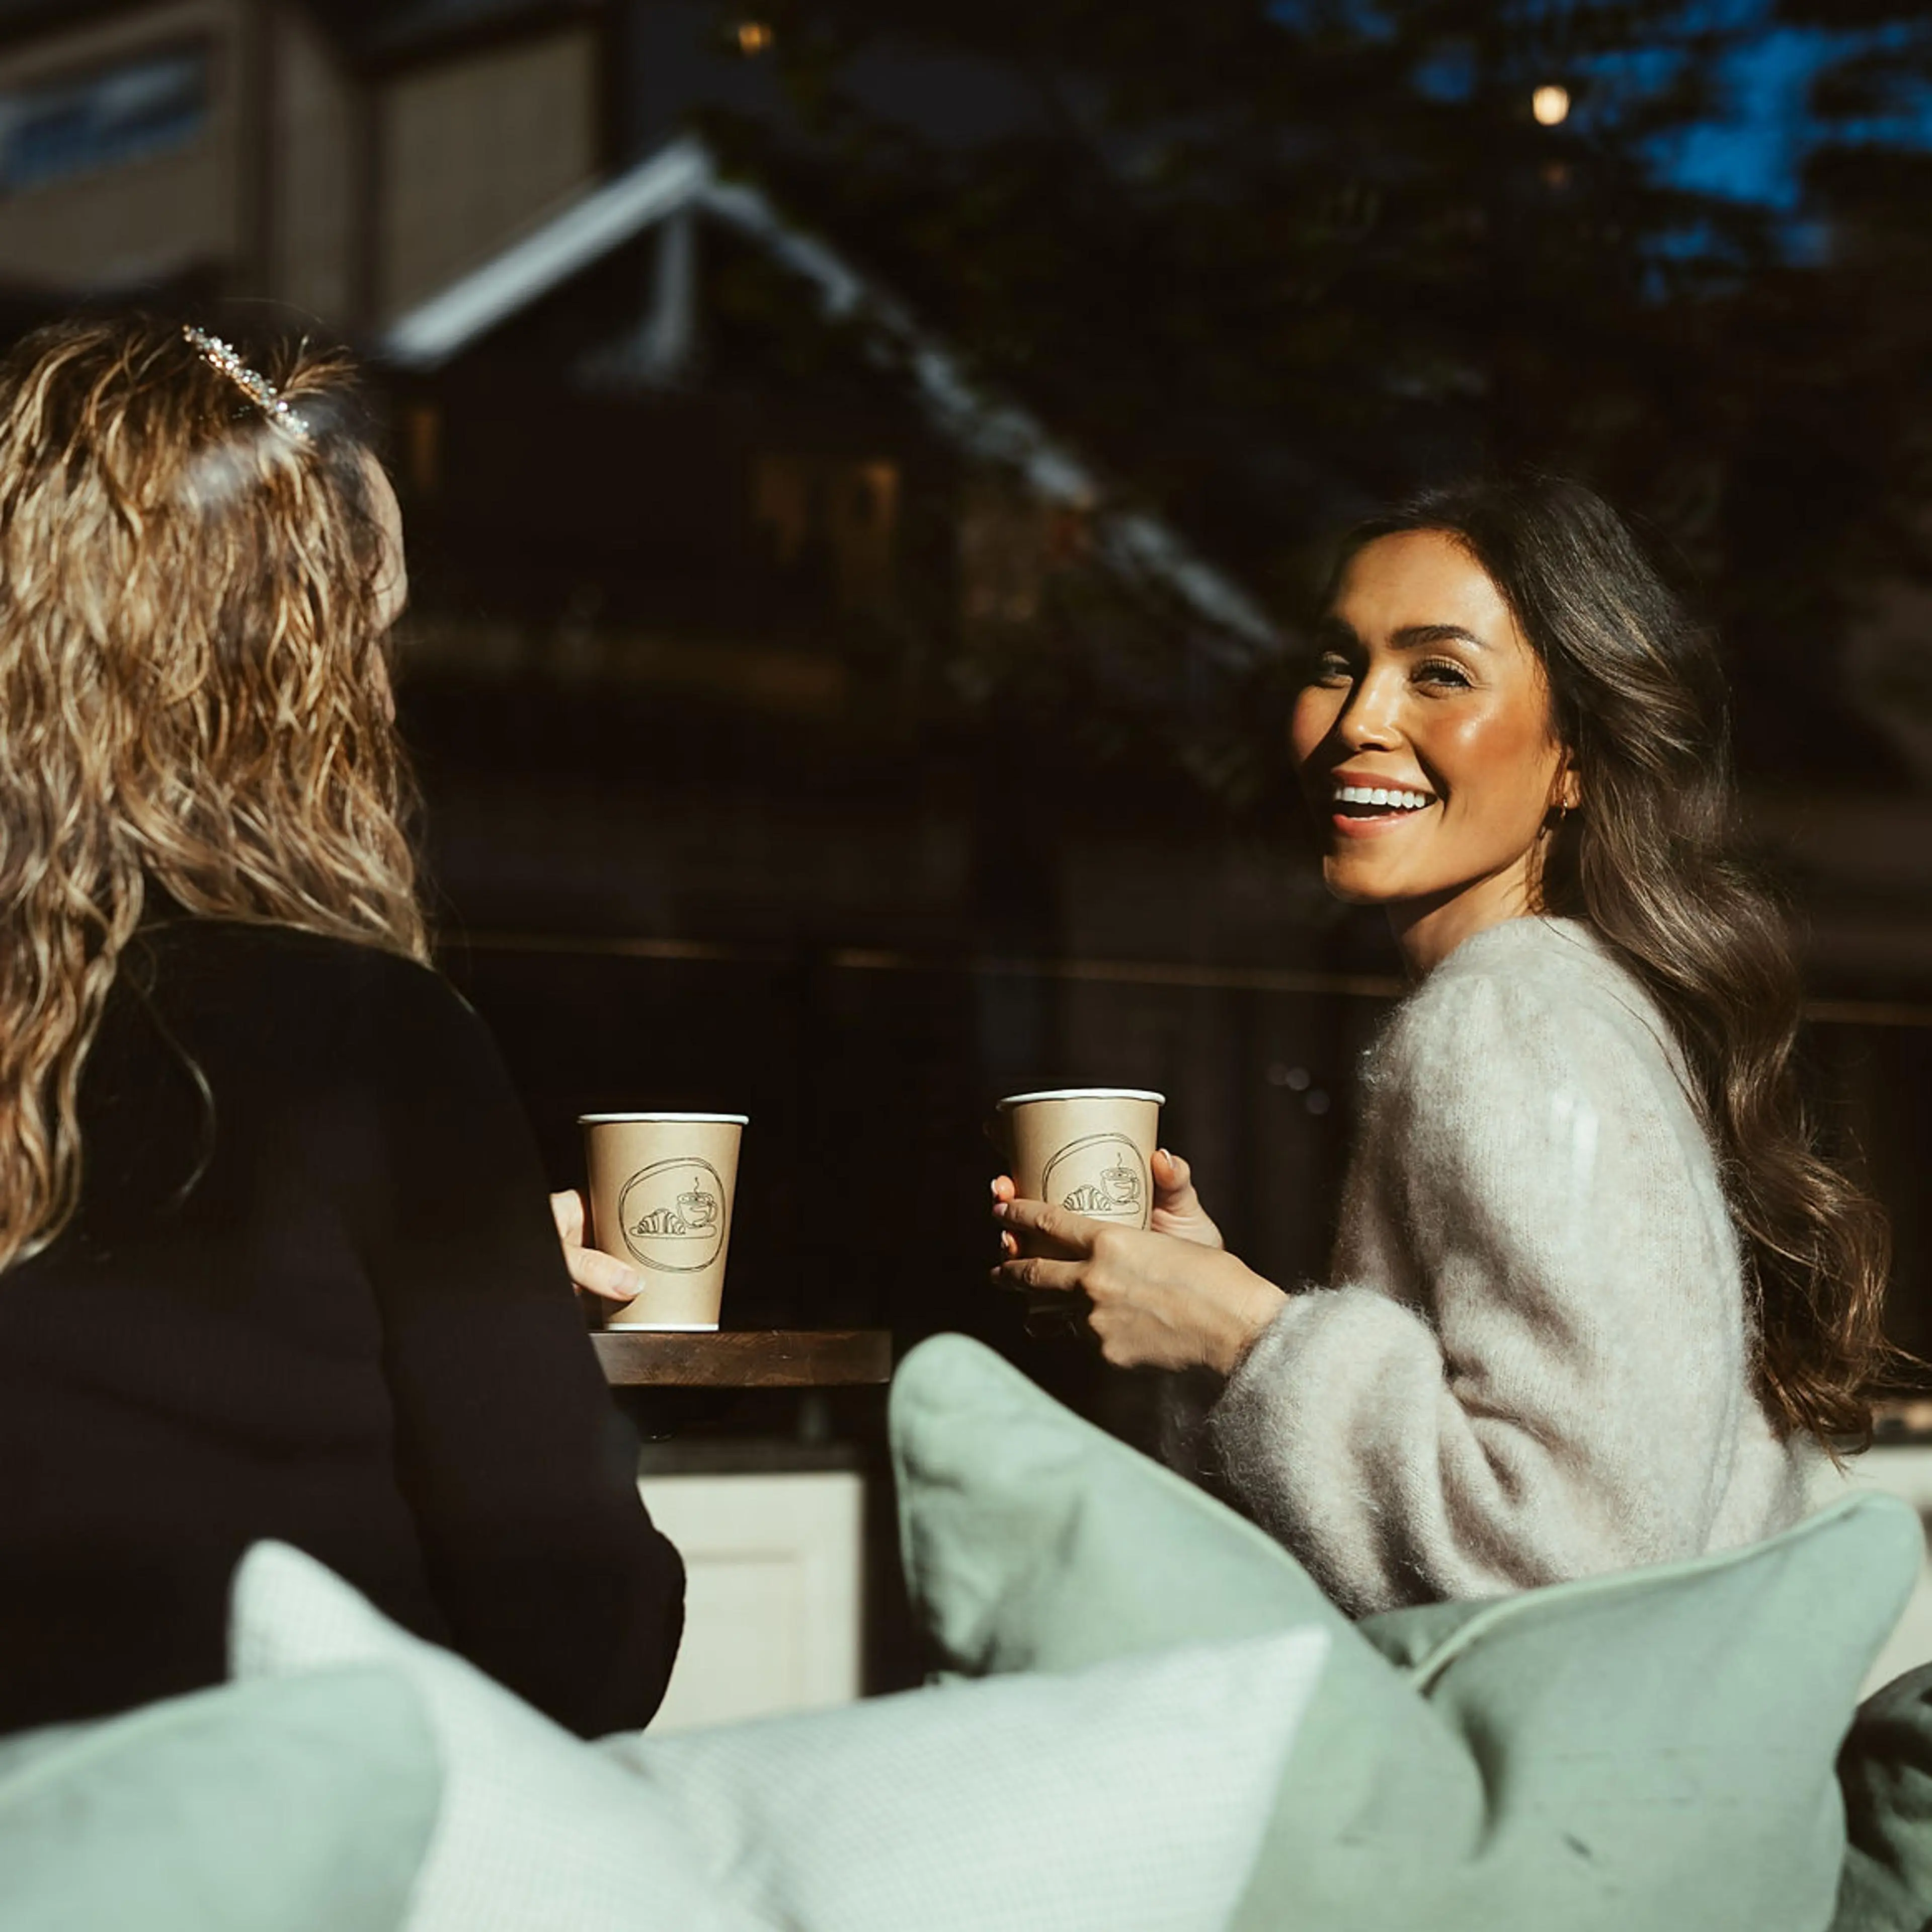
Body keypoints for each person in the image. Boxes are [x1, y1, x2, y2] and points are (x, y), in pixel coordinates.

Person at [992, 474, 1892, 1616]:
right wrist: (1206, 1313)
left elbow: (1581, 1554)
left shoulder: (1511, 1018)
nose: (1359, 720)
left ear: (1576, 755)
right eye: (1337, 662)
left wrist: (1247, 1334)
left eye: (1440, 673)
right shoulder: (1583, 1006)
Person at [0, 315, 683, 1737]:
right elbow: (581, 1647)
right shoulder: (360, 1043)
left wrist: (441, 1285)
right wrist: (494, 1323)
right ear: (285, 681)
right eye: (370, 639)